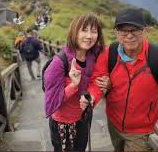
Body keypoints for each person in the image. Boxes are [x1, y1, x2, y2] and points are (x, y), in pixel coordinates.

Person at [80, 8, 158, 151]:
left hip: (139, 131)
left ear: (145, 31)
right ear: (117, 33)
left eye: (135, 30)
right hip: (113, 122)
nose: (129, 35)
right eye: (123, 30)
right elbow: (97, 82)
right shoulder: (109, 54)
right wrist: (91, 98)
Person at [44, 14, 111, 152]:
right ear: (74, 32)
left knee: (81, 148)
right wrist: (73, 86)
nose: (89, 36)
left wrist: (107, 83)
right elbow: (51, 103)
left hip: (84, 117)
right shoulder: (58, 63)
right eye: (84, 30)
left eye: (94, 31)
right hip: (63, 122)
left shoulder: (95, 55)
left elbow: (97, 82)